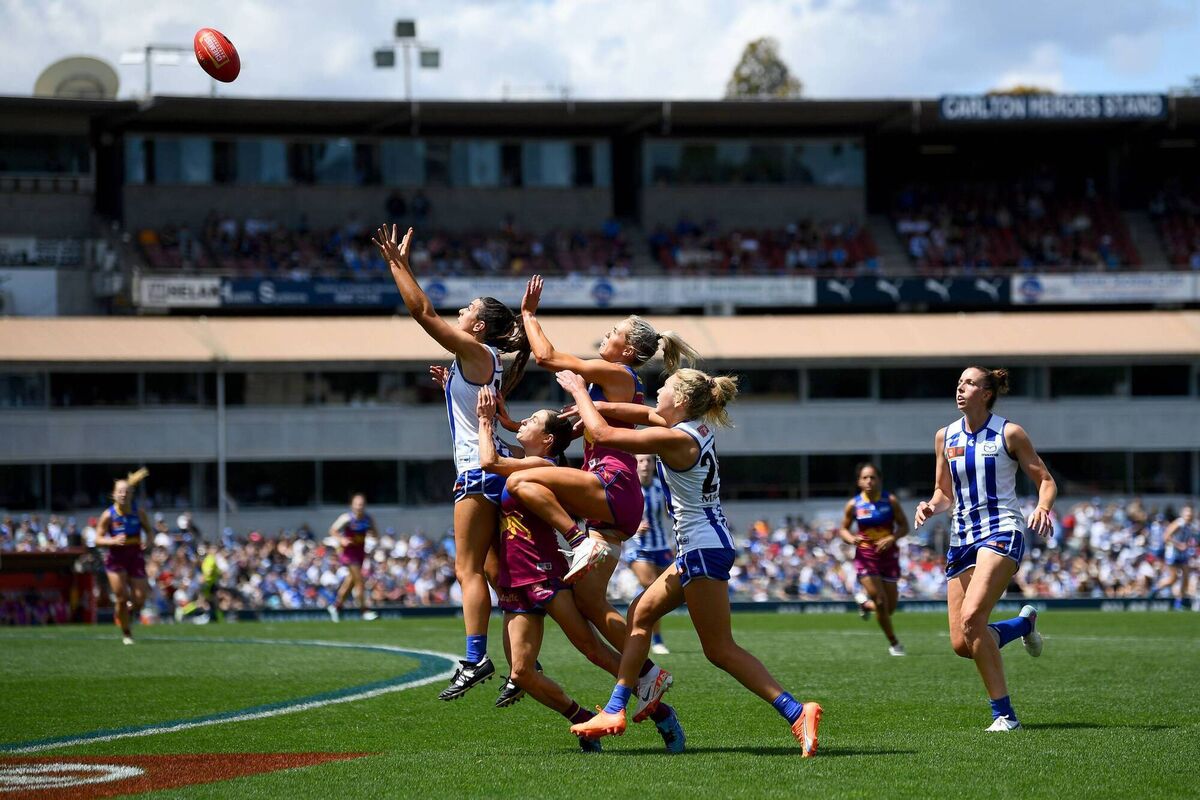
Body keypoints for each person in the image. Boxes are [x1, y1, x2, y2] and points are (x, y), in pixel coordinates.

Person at [558, 368, 823, 756]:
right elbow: (638, 415)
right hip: (701, 545)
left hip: (701, 547)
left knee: (719, 649)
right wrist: (596, 404)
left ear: (679, 400)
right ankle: (616, 708)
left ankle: (797, 711)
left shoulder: (676, 438)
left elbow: (604, 435)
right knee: (640, 613)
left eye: (662, 389)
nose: (656, 394)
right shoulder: (689, 428)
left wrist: (581, 391)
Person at [506, 274, 691, 714]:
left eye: (614, 333)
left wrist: (529, 314)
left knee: (520, 482)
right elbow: (558, 433)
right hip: (613, 497)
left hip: (613, 483)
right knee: (590, 603)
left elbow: (548, 357)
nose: (606, 336)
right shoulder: (608, 385)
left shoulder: (616, 373)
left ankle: (575, 541)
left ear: (627, 351)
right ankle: (647, 675)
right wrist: (513, 426)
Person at [475, 387, 685, 753]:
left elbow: (488, 460)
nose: (524, 423)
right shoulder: (525, 461)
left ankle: (660, 709)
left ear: (547, 439)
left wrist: (482, 419)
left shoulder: (543, 467)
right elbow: (496, 450)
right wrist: (497, 417)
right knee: (521, 672)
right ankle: (580, 717)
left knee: (592, 649)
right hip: (514, 576)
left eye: (532, 421)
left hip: (544, 571)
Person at [374, 224, 531, 700]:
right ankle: (524, 664)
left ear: (479, 326)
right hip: (493, 468)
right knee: (495, 575)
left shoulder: (476, 350)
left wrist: (397, 265)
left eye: (467, 311)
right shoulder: (483, 359)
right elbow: (476, 400)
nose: (460, 313)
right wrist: (452, 385)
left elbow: (421, 311)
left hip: (476, 471)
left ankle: (476, 657)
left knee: (467, 572)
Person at [913, 366, 1057, 732]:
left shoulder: (1009, 433)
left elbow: (1044, 479)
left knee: (973, 620)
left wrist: (1042, 507)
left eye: (970, 383)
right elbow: (943, 491)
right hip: (962, 538)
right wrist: (931, 505)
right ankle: (1024, 623)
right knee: (963, 642)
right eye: (959, 382)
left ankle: (1005, 716)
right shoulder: (944, 436)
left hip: (1002, 531)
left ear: (987, 393)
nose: (960, 388)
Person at [837, 462, 908, 656]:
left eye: (873, 477)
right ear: (859, 482)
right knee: (880, 600)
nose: (869, 481)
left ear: (879, 480)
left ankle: (864, 605)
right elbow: (842, 529)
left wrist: (892, 537)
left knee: (889, 608)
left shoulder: (890, 501)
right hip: (866, 557)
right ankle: (894, 643)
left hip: (889, 557)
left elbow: (904, 526)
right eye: (865, 478)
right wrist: (852, 538)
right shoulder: (854, 504)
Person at [93, 468, 153, 644]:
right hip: (116, 558)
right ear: (114, 494)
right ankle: (127, 633)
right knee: (121, 597)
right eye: (120, 491)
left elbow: (149, 532)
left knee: (140, 599)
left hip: (135, 557)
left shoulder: (139, 513)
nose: (123, 494)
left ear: (131, 494)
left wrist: (148, 542)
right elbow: (97, 539)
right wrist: (111, 541)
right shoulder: (108, 515)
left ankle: (127, 611)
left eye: (126, 491)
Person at [627, 454, 674, 655]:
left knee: (666, 594)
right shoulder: (628, 487)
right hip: (637, 547)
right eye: (641, 461)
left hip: (661, 546)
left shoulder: (660, 487)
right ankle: (655, 638)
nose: (645, 464)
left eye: (649, 461)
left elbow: (670, 513)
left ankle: (638, 613)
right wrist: (633, 526)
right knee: (652, 587)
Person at [328, 493, 379, 622]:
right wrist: (342, 539)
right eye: (357, 504)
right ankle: (364, 610)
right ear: (352, 505)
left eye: (361, 504)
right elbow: (333, 530)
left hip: (360, 553)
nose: (359, 507)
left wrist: (373, 535)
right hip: (348, 554)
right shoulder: (347, 518)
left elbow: (375, 533)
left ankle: (336, 606)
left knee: (350, 582)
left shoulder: (368, 519)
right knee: (359, 581)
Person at [1155, 505, 1196, 609]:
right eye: (1187, 514)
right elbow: (1166, 536)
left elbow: (1187, 540)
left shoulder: (1189, 526)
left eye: (1190, 514)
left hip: (1183, 554)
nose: (1189, 516)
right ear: (1183, 514)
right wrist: (1179, 545)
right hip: (1173, 554)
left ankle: (1179, 603)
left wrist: (1187, 546)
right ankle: (1154, 591)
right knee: (1172, 579)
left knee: (1186, 577)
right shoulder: (1179, 523)